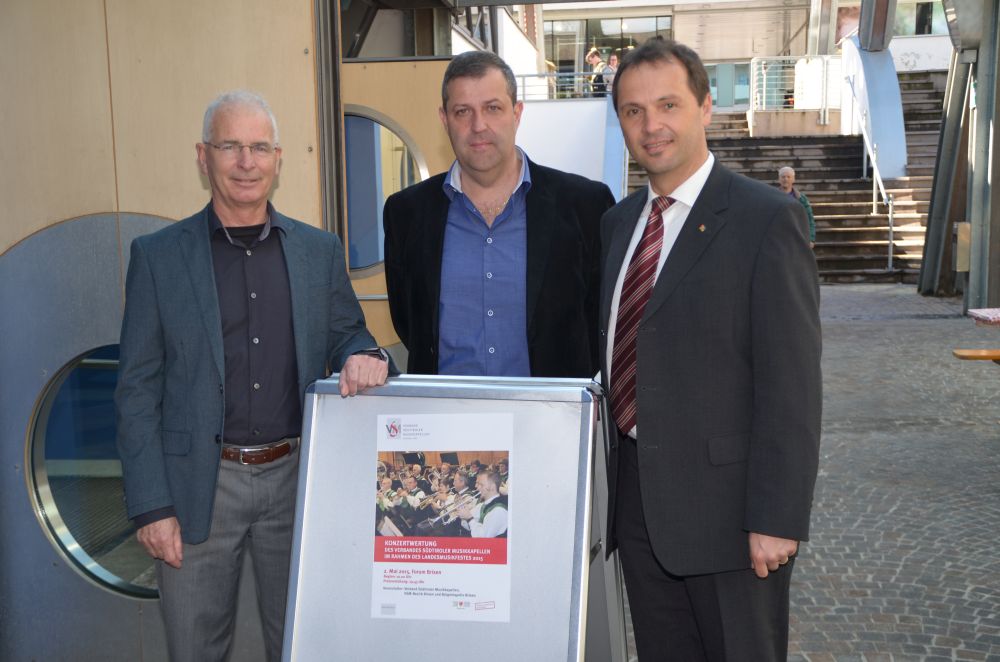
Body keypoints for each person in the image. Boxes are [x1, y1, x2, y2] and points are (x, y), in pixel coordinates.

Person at [114, 90, 390, 662]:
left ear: (278, 159)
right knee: (195, 648)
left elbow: (348, 334)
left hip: (297, 483)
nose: (246, 162)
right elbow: (136, 391)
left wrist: (367, 355)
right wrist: (151, 506)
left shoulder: (318, 251)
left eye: (260, 147)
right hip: (197, 488)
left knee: (304, 644)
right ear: (203, 156)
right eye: (230, 147)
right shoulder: (158, 257)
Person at [601, 40, 821, 661]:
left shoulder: (765, 220)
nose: (651, 125)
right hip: (639, 512)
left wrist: (775, 516)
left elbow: (792, 384)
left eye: (668, 105)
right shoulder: (617, 225)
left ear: (705, 107)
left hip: (732, 521)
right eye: (634, 111)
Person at [383, 50, 615, 379]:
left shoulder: (586, 205)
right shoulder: (406, 213)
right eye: (463, 111)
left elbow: (601, 322)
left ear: (517, 113)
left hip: (551, 409)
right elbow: (410, 323)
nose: (478, 126)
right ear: (444, 120)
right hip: (443, 409)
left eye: (493, 108)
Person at [457, 470, 508, 538]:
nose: (476, 486)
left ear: (492, 487)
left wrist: (469, 518)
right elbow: (466, 525)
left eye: (480, 484)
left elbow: (482, 537)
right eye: (476, 483)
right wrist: (464, 514)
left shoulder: (499, 510)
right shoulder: (482, 505)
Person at [778, 165, 816, 248]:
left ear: (793, 179)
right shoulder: (773, 196)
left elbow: (809, 218)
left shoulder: (801, 199)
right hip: (778, 237)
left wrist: (811, 238)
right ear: (779, 179)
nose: (785, 179)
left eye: (788, 177)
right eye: (783, 177)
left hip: (796, 236)